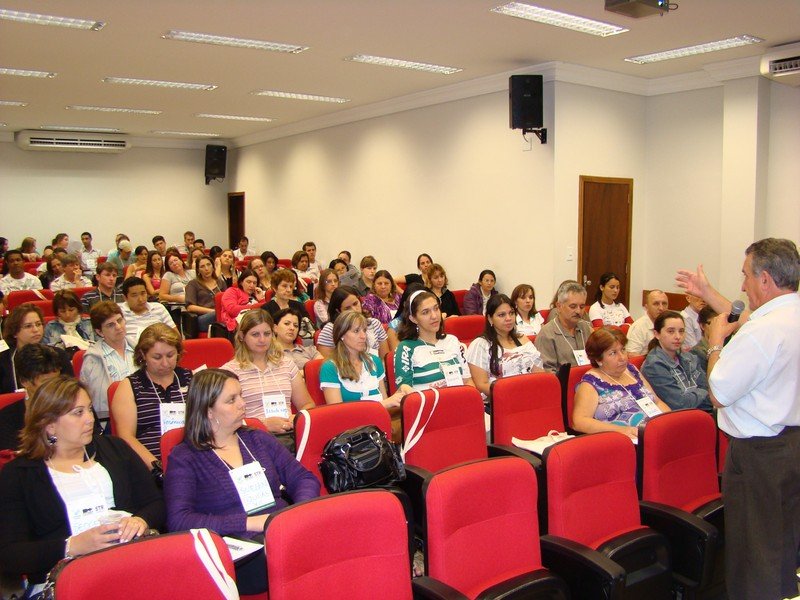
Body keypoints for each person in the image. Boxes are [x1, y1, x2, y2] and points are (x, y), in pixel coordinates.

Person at [678, 238, 800, 600]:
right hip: (791, 446)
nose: (742, 284)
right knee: (780, 542)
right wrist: (706, 291)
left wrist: (715, 343)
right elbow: (749, 319)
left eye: (745, 276)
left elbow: (718, 392)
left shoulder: (763, 332)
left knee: (753, 552)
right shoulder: (787, 316)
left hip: (758, 456)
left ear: (765, 279)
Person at [0, 377, 165, 594]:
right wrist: (72, 546)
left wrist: (140, 520)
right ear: (49, 425)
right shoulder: (20, 474)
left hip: (128, 563)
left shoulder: (115, 449)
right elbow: (11, 555)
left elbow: (157, 503)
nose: (90, 419)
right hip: (64, 580)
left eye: (89, 409)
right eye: (78, 413)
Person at [164, 369, 319, 594]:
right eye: (231, 400)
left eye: (241, 396)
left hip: (282, 529)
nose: (242, 405)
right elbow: (179, 521)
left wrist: (294, 515)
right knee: (296, 562)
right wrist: (251, 523)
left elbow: (303, 478)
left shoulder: (257, 439)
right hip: (239, 548)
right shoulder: (185, 457)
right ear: (208, 411)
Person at [111, 323, 192, 471]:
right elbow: (126, 437)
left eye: (170, 355)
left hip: (191, 458)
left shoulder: (189, 378)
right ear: (142, 355)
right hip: (150, 464)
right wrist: (158, 468)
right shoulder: (129, 386)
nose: (165, 363)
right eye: (157, 357)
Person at [221, 311, 315, 434]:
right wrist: (263, 425)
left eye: (267, 333)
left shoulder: (286, 364)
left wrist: (297, 417)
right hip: (250, 435)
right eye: (255, 334)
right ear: (242, 336)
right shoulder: (229, 372)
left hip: (289, 433)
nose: (262, 339)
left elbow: (307, 404)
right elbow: (225, 419)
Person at [573, 327, 670, 439]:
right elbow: (579, 422)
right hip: (624, 440)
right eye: (613, 353)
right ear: (598, 359)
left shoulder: (631, 370)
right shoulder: (591, 383)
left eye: (623, 350)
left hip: (655, 432)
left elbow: (657, 402)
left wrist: (669, 422)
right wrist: (622, 431)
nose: (622, 357)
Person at [321, 311, 405, 408]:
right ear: (342, 335)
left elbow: (385, 401)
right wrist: (382, 404)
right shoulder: (330, 367)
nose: (363, 336)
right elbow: (337, 412)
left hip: (378, 420)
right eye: (356, 331)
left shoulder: (375, 361)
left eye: (364, 330)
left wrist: (400, 393)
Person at [466, 294, 543, 398]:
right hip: (499, 400)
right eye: (501, 315)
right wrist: (511, 395)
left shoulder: (522, 339)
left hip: (530, 396)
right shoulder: (481, 345)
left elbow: (540, 374)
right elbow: (481, 385)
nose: (508, 318)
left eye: (511, 313)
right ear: (490, 319)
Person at [394, 290, 473, 390]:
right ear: (414, 319)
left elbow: (467, 381)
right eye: (425, 312)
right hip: (427, 403)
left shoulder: (452, 341)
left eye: (436, 309)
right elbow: (404, 390)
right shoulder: (406, 348)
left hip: (458, 402)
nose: (434, 316)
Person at [640, 311, 711, 411]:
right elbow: (679, 404)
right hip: (678, 418)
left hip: (702, 411)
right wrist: (701, 392)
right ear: (657, 334)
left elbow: (708, 389)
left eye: (681, 331)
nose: (678, 336)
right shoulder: (654, 365)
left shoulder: (690, 358)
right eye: (671, 331)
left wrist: (700, 393)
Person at [0, 344, 62, 451]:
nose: (54, 387)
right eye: (46, 382)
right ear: (24, 381)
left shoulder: (74, 406)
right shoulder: (6, 419)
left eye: (57, 381)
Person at [80, 301, 136, 419]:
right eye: (110, 325)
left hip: (145, 412)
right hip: (111, 419)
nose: (118, 327)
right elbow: (94, 400)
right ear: (99, 332)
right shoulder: (92, 359)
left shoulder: (141, 350)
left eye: (119, 320)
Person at [1, 304, 74, 393]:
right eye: (28, 326)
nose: (36, 330)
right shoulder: (3, 359)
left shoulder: (58, 354)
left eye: (38, 324)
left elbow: (70, 390)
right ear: (14, 332)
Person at [534, 281, 594, 372]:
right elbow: (547, 373)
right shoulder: (547, 334)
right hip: (563, 384)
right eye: (573, 306)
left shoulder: (585, 328)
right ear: (559, 306)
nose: (578, 311)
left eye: (582, 307)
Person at [317, 286, 389, 359]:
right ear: (338, 311)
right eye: (347, 308)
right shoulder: (330, 330)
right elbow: (327, 364)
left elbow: (384, 359)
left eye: (355, 304)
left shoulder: (374, 323)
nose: (354, 310)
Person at [120, 277, 177, 347]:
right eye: (134, 295)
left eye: (143, 293)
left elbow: (176, 336)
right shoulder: (118, 312)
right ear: (125, 298)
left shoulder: (159, 308)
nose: (140, 299)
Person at [185, 255, 226, 333]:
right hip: (203, 317)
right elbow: (190, 307)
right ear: (198, 270)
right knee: (218, 315)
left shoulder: (220, 282)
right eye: (202, 266)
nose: (206, 269)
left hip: (221, 314)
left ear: (213, 267)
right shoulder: (193, 284)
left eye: (208, 265)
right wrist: (213, 311)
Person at [625, 289, 669, 355]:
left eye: (664, 303)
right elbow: (631, 355)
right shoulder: (639, 327)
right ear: (646, 307)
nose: (661, 308)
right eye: (656, 304)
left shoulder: (670, 324)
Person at [689, 305, 717, 371]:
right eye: (714, 323)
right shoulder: (696, 353)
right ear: (702, 326)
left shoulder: (727, 347)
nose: (718, 327)